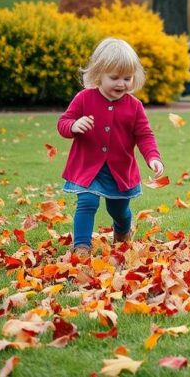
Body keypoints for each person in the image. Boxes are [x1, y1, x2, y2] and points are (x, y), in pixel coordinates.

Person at [56, 38, 164, 259]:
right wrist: (74, 126)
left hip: (120, 170)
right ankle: (81, 246)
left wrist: (153, 157)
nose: (121, 84)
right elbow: (63, 123)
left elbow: (145, 135)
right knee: (87, 202)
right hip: (88, 168)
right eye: (114, 78)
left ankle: (123, 231)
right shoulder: (84, 98)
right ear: (99, 74)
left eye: (127, 78)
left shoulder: (134, 106)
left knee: (118, 210)